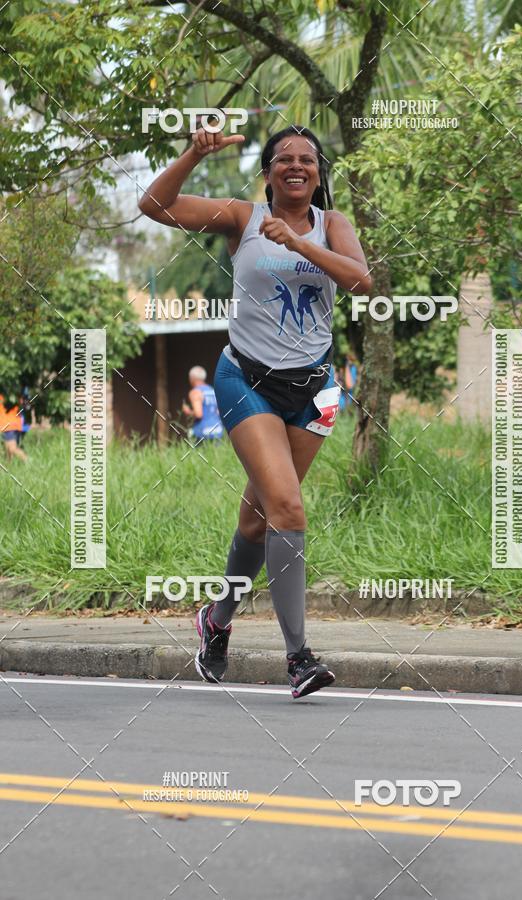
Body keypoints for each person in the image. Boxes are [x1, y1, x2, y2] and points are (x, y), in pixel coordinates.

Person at [139, 123, 372, 698]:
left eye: (308, 160)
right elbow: (154, 206)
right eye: (284, 159)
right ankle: (299, 659)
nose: (297, 166)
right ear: (267, 172)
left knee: (258, 517)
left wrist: (297, 244)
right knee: (288, 508)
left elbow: (362, 282)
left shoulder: (332, 225)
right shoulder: (241, 218)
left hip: (316, 390)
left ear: (318, 173)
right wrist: (194, 151)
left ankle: (216, 620)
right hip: (247, 379)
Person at [182, 366, 224, 442]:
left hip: (203, 431)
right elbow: (219, 411)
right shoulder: (213, 391)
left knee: (199, 453)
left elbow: (199, 414)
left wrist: (188, 412)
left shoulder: (195, 392)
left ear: (192, 378)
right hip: (218, 429)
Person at [0, 393, 27, 462]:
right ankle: (9, 468)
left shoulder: (6, 393)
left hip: (10, 425)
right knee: (8, 451)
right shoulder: (12, 392)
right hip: (10, 425)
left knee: (12, 448)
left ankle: (28, 462)